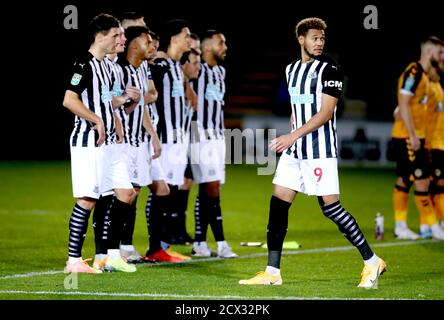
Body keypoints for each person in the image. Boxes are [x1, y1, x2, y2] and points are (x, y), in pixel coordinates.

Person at [238, 17, 386, 288]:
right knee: (278, 204)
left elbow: (326, 112)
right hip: (296, 152)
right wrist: (293, 136)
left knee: (331, 208)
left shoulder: (330, 69)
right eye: (314, 38)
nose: (319, 42)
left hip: (320, 151)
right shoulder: (291, 70)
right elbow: (296, 108)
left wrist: (291, 135)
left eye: (322, 39)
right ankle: (272, 272)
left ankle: (372, 260)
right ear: (300, 39)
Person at [62, 13, 139, 273]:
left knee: (126, 194)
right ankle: (73, 261)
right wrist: (97, 120)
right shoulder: (83, 63)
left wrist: (116, 116)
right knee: (88, 199)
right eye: (117, 34)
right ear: (101, 35)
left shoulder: (107, 66)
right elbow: (69, 100)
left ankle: (109, 256)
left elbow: (107, 101)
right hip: (88, 140)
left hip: (111, 144)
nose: (121, 38)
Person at [189, 30, 238, 258]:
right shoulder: (196, 71)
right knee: (212, 187)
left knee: (207, 188)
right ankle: (221, 243)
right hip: (199, 134)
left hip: (217, 136)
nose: (225, 46)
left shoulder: (220, 71)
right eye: (221, 42)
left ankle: (200, 242)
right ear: (207, 47)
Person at [391, 36, 444, 240]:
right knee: (422, 182)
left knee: (405, 180)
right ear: (429, 51)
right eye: (439, 53)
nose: (441, 58)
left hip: (416, 136)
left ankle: (401, 225)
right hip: (408, 136)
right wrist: (413, 135)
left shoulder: (425, 78)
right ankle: (433, 227)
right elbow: (403, 102)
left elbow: (403, 106)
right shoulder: (414, 71)